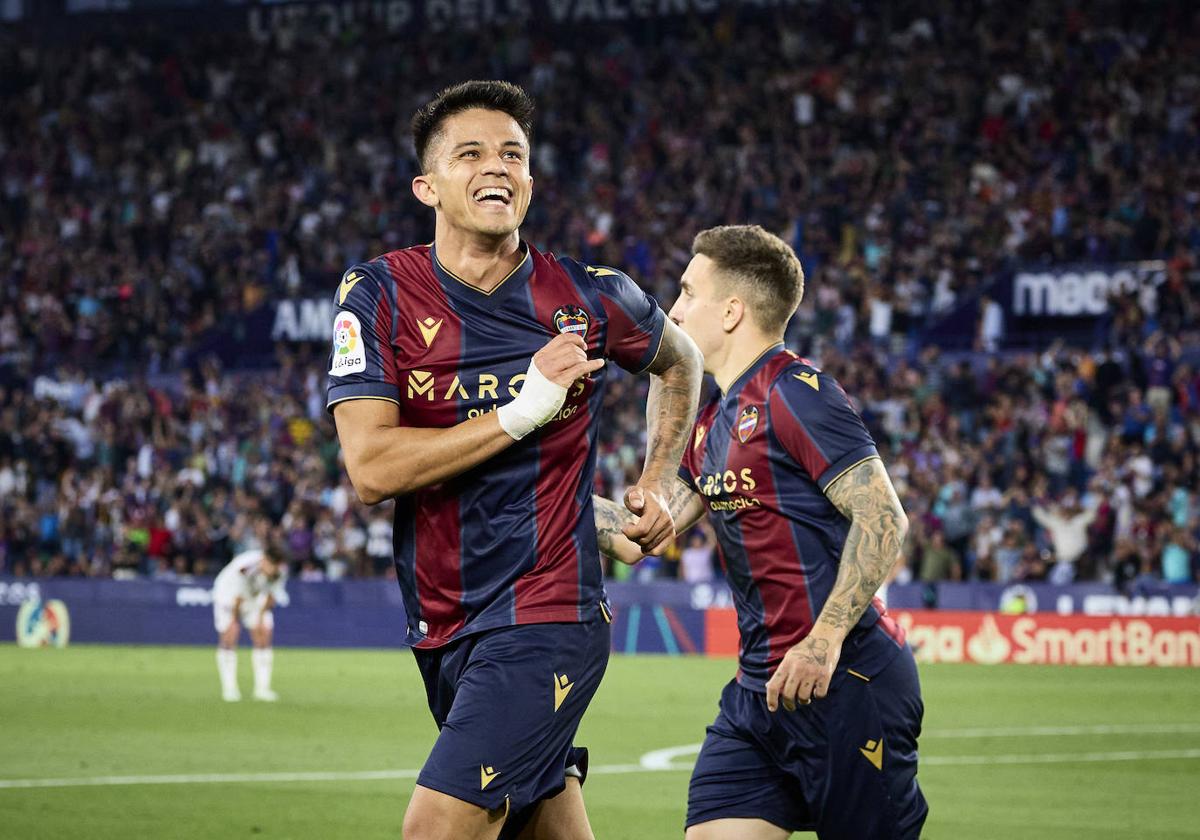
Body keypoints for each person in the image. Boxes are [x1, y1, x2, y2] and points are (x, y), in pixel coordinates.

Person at [326, 81, 702, 840]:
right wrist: (524, 410)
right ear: (427, 186)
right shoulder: (379, 295)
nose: (497, 166)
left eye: (514, 155)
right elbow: (371, 469)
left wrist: (658, 476)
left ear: (529, 182)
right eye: (471, 153)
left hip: (547, 612)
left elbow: (682, 361)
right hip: (443, 622)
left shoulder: (591, 297)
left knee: (435, 828)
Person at [596, 225, 926, 839]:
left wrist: (823, 641)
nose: (674, 309)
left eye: (688, 292)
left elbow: (884, 517)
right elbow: (641, 533)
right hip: (758, 696)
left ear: (731, 311)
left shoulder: (795, 393)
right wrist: (523, 494)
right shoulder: (713, 421)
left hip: (845, 681)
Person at [211, 548, 289, 702]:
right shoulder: (246, 568)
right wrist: (233, 620)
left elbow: (271, 596)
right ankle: (230, 689)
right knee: (229, 636)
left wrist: (260, 618)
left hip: (254, 597)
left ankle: (262, 689)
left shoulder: (281, 571)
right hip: (228, 595)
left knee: (264, 634)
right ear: (264, 559)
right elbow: (237, 596)